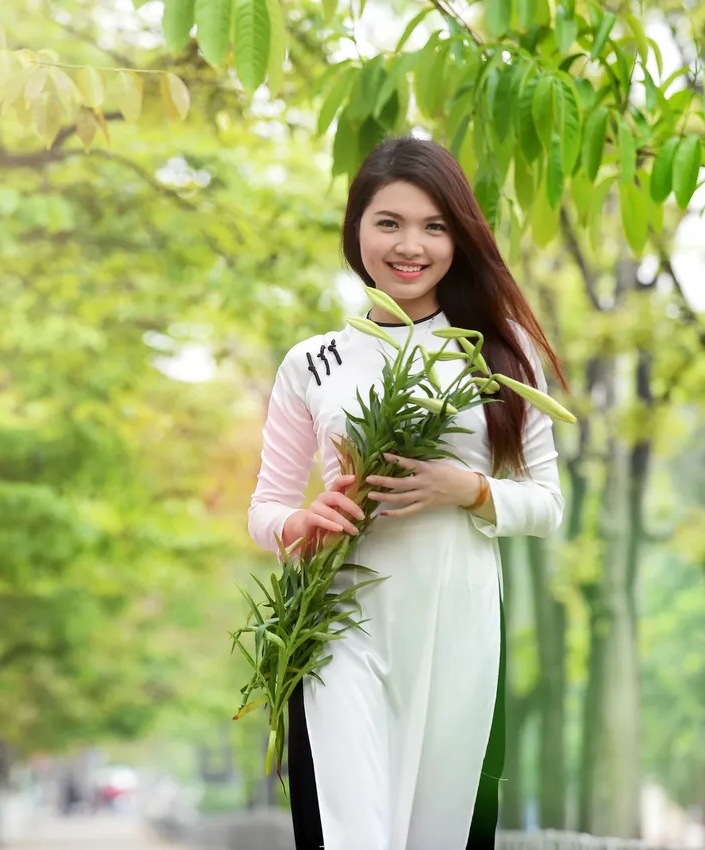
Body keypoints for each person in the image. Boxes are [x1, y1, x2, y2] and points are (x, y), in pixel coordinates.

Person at [246, 136, 569, 850]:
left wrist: (470, 489)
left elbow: (547, 504)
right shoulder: (314, 362)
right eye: (387, 222)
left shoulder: (500, 354)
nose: (409, 246)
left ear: (459, 236)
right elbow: (264, 512)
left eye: (434, 226)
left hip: (456, 629)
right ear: (356, 227)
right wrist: (302, 521)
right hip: (339, 631)